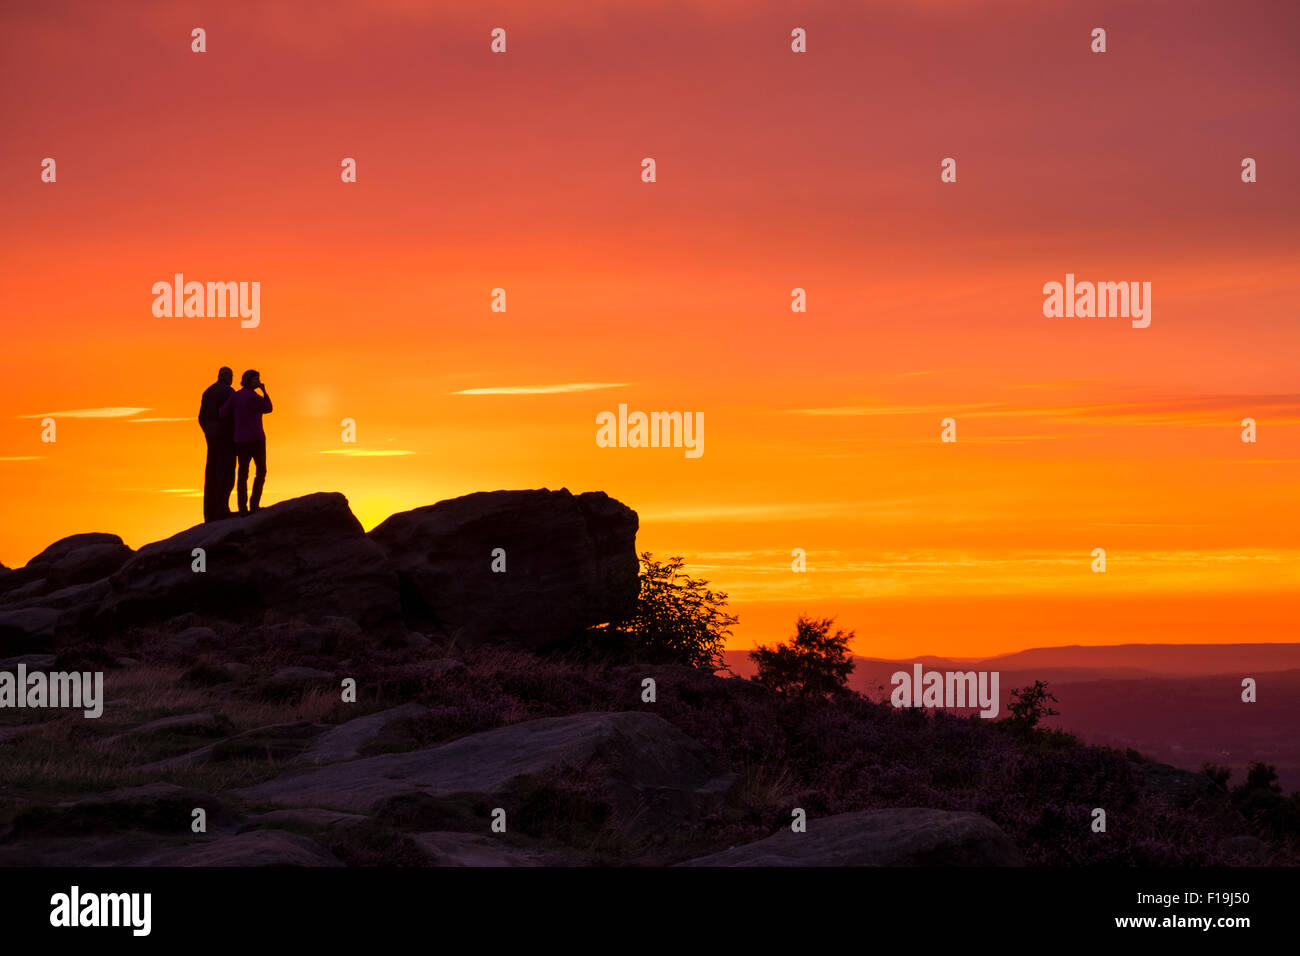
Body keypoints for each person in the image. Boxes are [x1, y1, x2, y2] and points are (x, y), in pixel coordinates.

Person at [220, 369, 273, 514]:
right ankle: (254, 505)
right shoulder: (253, 396)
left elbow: (223, 412)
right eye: (256, 379)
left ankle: (243, 508)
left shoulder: (236, 396)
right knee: (260, 471)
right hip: (256, 439)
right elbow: (269, 408)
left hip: (240, 439)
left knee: (243, 474)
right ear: (249, 380)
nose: (258, 382)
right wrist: (265, 392)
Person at [197, 367, 236, 521]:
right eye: (231, 376)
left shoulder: (207, 392)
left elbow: (200, 417)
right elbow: (232, 415)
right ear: (227, 377)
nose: (231, 378)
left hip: (211, 436)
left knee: (211, 473)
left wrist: (208, 431)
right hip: (225, 437)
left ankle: (210, 512)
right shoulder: (229, 392)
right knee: (226, 473)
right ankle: (222, 510)